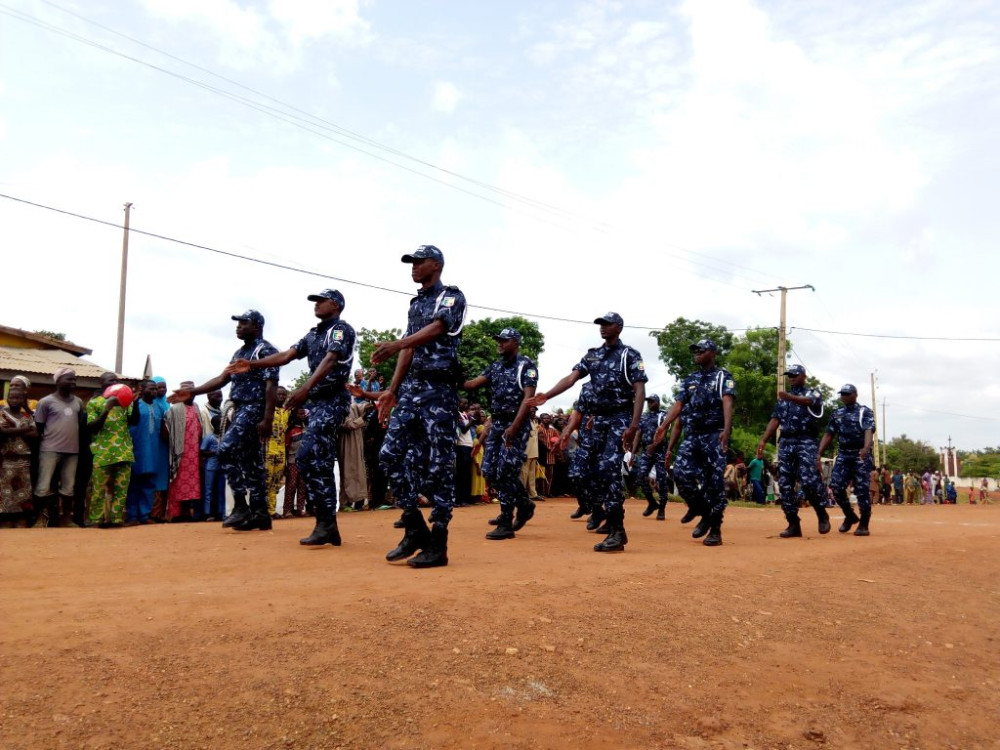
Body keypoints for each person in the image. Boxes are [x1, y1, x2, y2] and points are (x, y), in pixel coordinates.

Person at [226, 290, 356, 546]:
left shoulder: (341, 330)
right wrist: (253, 365)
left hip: (332, 400)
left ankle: (326, 523)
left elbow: (331, 360)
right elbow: (286, 355)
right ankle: (327, 525)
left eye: (321, 300)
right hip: (317, 403)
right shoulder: (313, 334)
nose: (316, 305)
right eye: (315, 301)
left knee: (308, 456)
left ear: (337, 305)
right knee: (316, 461)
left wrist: (304, 388)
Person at [374, 245, 467, 568]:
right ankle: (414, 527)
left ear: (436, 265)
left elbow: (438, 328)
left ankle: (438, 543)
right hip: (412, 388)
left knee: (440, 465)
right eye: (410, 262)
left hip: (439, 388)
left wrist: (400, 342)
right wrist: (391, 390)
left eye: (419, 261)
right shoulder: (416, 303)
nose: (413, 267)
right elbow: (408, 349)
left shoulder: (451, 297)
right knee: (388, 454)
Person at [530, 312, 646, 552]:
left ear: (619, 327)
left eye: (607, 324)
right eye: (600, 325)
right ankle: (602, 514)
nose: (602, 328)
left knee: (608, 470)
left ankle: (617, 531)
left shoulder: (629, 355)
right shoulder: (593, 355)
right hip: (596, 422)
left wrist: (633, 425)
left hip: (618, 418)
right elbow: (571, 378)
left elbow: (639, 390)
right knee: (584, 472)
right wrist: (547, 395)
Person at [172, 310, 278, 531]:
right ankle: (260, 514)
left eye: (243, 323)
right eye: (237, 323)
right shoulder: (239, 352)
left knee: (225, 450)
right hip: (239, 409)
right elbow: (222, 379)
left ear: (257, 326)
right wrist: (193, 392)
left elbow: (271, 386)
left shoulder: (265, 351)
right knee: (252, 462)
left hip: (254, 408)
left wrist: (267, 418)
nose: (238, 326)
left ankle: (240, 506)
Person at [650, 339, 735, 547]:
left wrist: (726, 428)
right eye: (695, 350)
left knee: (714, 482)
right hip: (693, 435)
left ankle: (715, 529)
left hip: (714, 435)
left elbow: (728, 402)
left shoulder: (723, 376)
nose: (696, 353)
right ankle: (703, 512)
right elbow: (678, 405)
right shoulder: (690, 379)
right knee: (680, 473)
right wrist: (663, 427)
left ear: (712, 353)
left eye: (701, 350)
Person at [461, 327, 538, 540]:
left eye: (504, 341)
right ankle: (524, 504)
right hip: (497, 423)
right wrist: (454, 373)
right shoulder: (495, 367)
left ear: (515, 342)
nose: (500, 344)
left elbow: (528, 398)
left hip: (517, 424)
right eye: (499, 340)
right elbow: (471, 384)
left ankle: (506, 521)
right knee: (488, 470)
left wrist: (513, 427)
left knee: (506, 471)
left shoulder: (526, 366)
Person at [756, 364, 830, 538]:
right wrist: (763, 440)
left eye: (794, 375)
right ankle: (793, 523)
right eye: (789, 375)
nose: (791, 378)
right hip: (786, 442)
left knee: (808, 480)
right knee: (785, 484)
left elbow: (810, 402)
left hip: (806, 441)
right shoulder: (782, 401)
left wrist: (788, 396)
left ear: (804, 376)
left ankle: (821, 513)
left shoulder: (813, 393)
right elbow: (775, 420)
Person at [817, 384, 876, 536]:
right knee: (836, 487)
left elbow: (869, 431)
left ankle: (864, 524)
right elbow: (829, 434)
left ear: (855, 395)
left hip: (859, 454)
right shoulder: (837, 413)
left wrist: (865, 448)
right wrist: (818, 453)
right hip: (843, 454)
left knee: (862, 490)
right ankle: (850, 516)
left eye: (847, 393)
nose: (844, 396)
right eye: (842, 393)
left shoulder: (865, 411)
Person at [32, 367, 84, 527]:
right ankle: (40, 519)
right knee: (43, 486)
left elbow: (80, 424)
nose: (73, 382)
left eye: (74, 379)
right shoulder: (45, 402)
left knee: (68, 487)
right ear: (58, 381)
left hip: (72, 451)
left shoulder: (78, 402)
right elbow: (39, 426)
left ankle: (66, 519)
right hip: (50, 449)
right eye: (69, 379)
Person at [85, 372, 134, 528]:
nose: (115, 382)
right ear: (101, 383)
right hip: (103, 452)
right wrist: (107, 409)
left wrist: (134, 400)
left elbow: (134, 420)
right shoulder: (94, 402)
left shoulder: (125, 402)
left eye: (116, 380)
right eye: (110, 380)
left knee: (121, 489)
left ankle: (116, 519)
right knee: (98, 489)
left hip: (124, 451)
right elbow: (92, 426)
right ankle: (96, 520)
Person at [164, 381, 204, 521]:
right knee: (178, 483)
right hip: (179, 453)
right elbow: (165, 429)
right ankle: (176, 514)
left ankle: (187, 513)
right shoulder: (174, 409)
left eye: (192, 391)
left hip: (194, 454)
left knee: (192, 485)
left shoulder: (197, 407)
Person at [126, 380, 165, 524]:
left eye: (155, 389)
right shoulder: (133, 405)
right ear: (142, 389)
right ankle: (132, 516)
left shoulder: (159, 407)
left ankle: (144, 515)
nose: (154, 391)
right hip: (136, 451)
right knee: (133, 485)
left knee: (149, 485)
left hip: (154, 452)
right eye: (151, 389)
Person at [1, 376, 36, 526]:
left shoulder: (27, 415)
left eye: (18, 397)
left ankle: (21, 520)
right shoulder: (2, 413)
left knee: (23, 492)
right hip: (6, 459)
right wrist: (25, 429)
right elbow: (1, 432)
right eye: (11, 397)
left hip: (24, 459)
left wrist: (13, 430)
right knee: (5, 490)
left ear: (23, 399)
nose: (14, 400)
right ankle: (7, 521)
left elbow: (36, 434)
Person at [634, 394, 669, 520]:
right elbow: (638, 434)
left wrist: (654, 445)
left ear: (658, 402)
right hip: (646, 451)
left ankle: (662, 509)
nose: (649, 404)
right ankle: (652, 503)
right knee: (640, 476)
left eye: (652, 402)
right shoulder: (644, 417)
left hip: (660, 451)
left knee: (661, 480)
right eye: (648, 402)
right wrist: (633, 453)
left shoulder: (663, 415)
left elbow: (663, 431)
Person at [338, 399, 369, 511]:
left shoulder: (352, 406)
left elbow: (361, 406)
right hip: (346, 443)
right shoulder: (338, 408)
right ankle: (346, 502)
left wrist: (368, 406)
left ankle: (358, 501)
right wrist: (363, 419)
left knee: (359, 471)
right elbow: (349, 425)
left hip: (357, 442)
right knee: (348, 471)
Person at [265, 386, 290, 518]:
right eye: (278, 394)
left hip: (281, 451)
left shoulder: (287, 412)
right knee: (266, 480)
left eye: (283, 395)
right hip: (268, 450)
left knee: (276, 482)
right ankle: (263, 510)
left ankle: (272, 510)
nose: (281, 397)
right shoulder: (267, 410)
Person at [200, 414, 226, 521]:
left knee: (221, 490)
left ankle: (221, 512)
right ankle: (207, 513)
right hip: (210, 466)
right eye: (218, 423)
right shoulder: (209, 437)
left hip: (222, 466)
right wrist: (213, 452)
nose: (220, 425)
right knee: (208, 489)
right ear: (214, 424)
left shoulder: (225, 437)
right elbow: (201, 451)